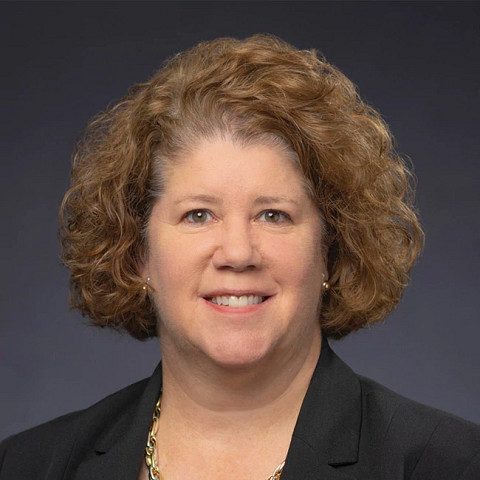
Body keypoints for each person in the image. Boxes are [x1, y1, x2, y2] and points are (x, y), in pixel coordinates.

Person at [1, 34, 479, 480]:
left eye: (273, 215)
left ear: (331, 249)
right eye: (198, 215)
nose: (237, 253)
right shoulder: (30, 466)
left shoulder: (449, 465)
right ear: (138, 252)